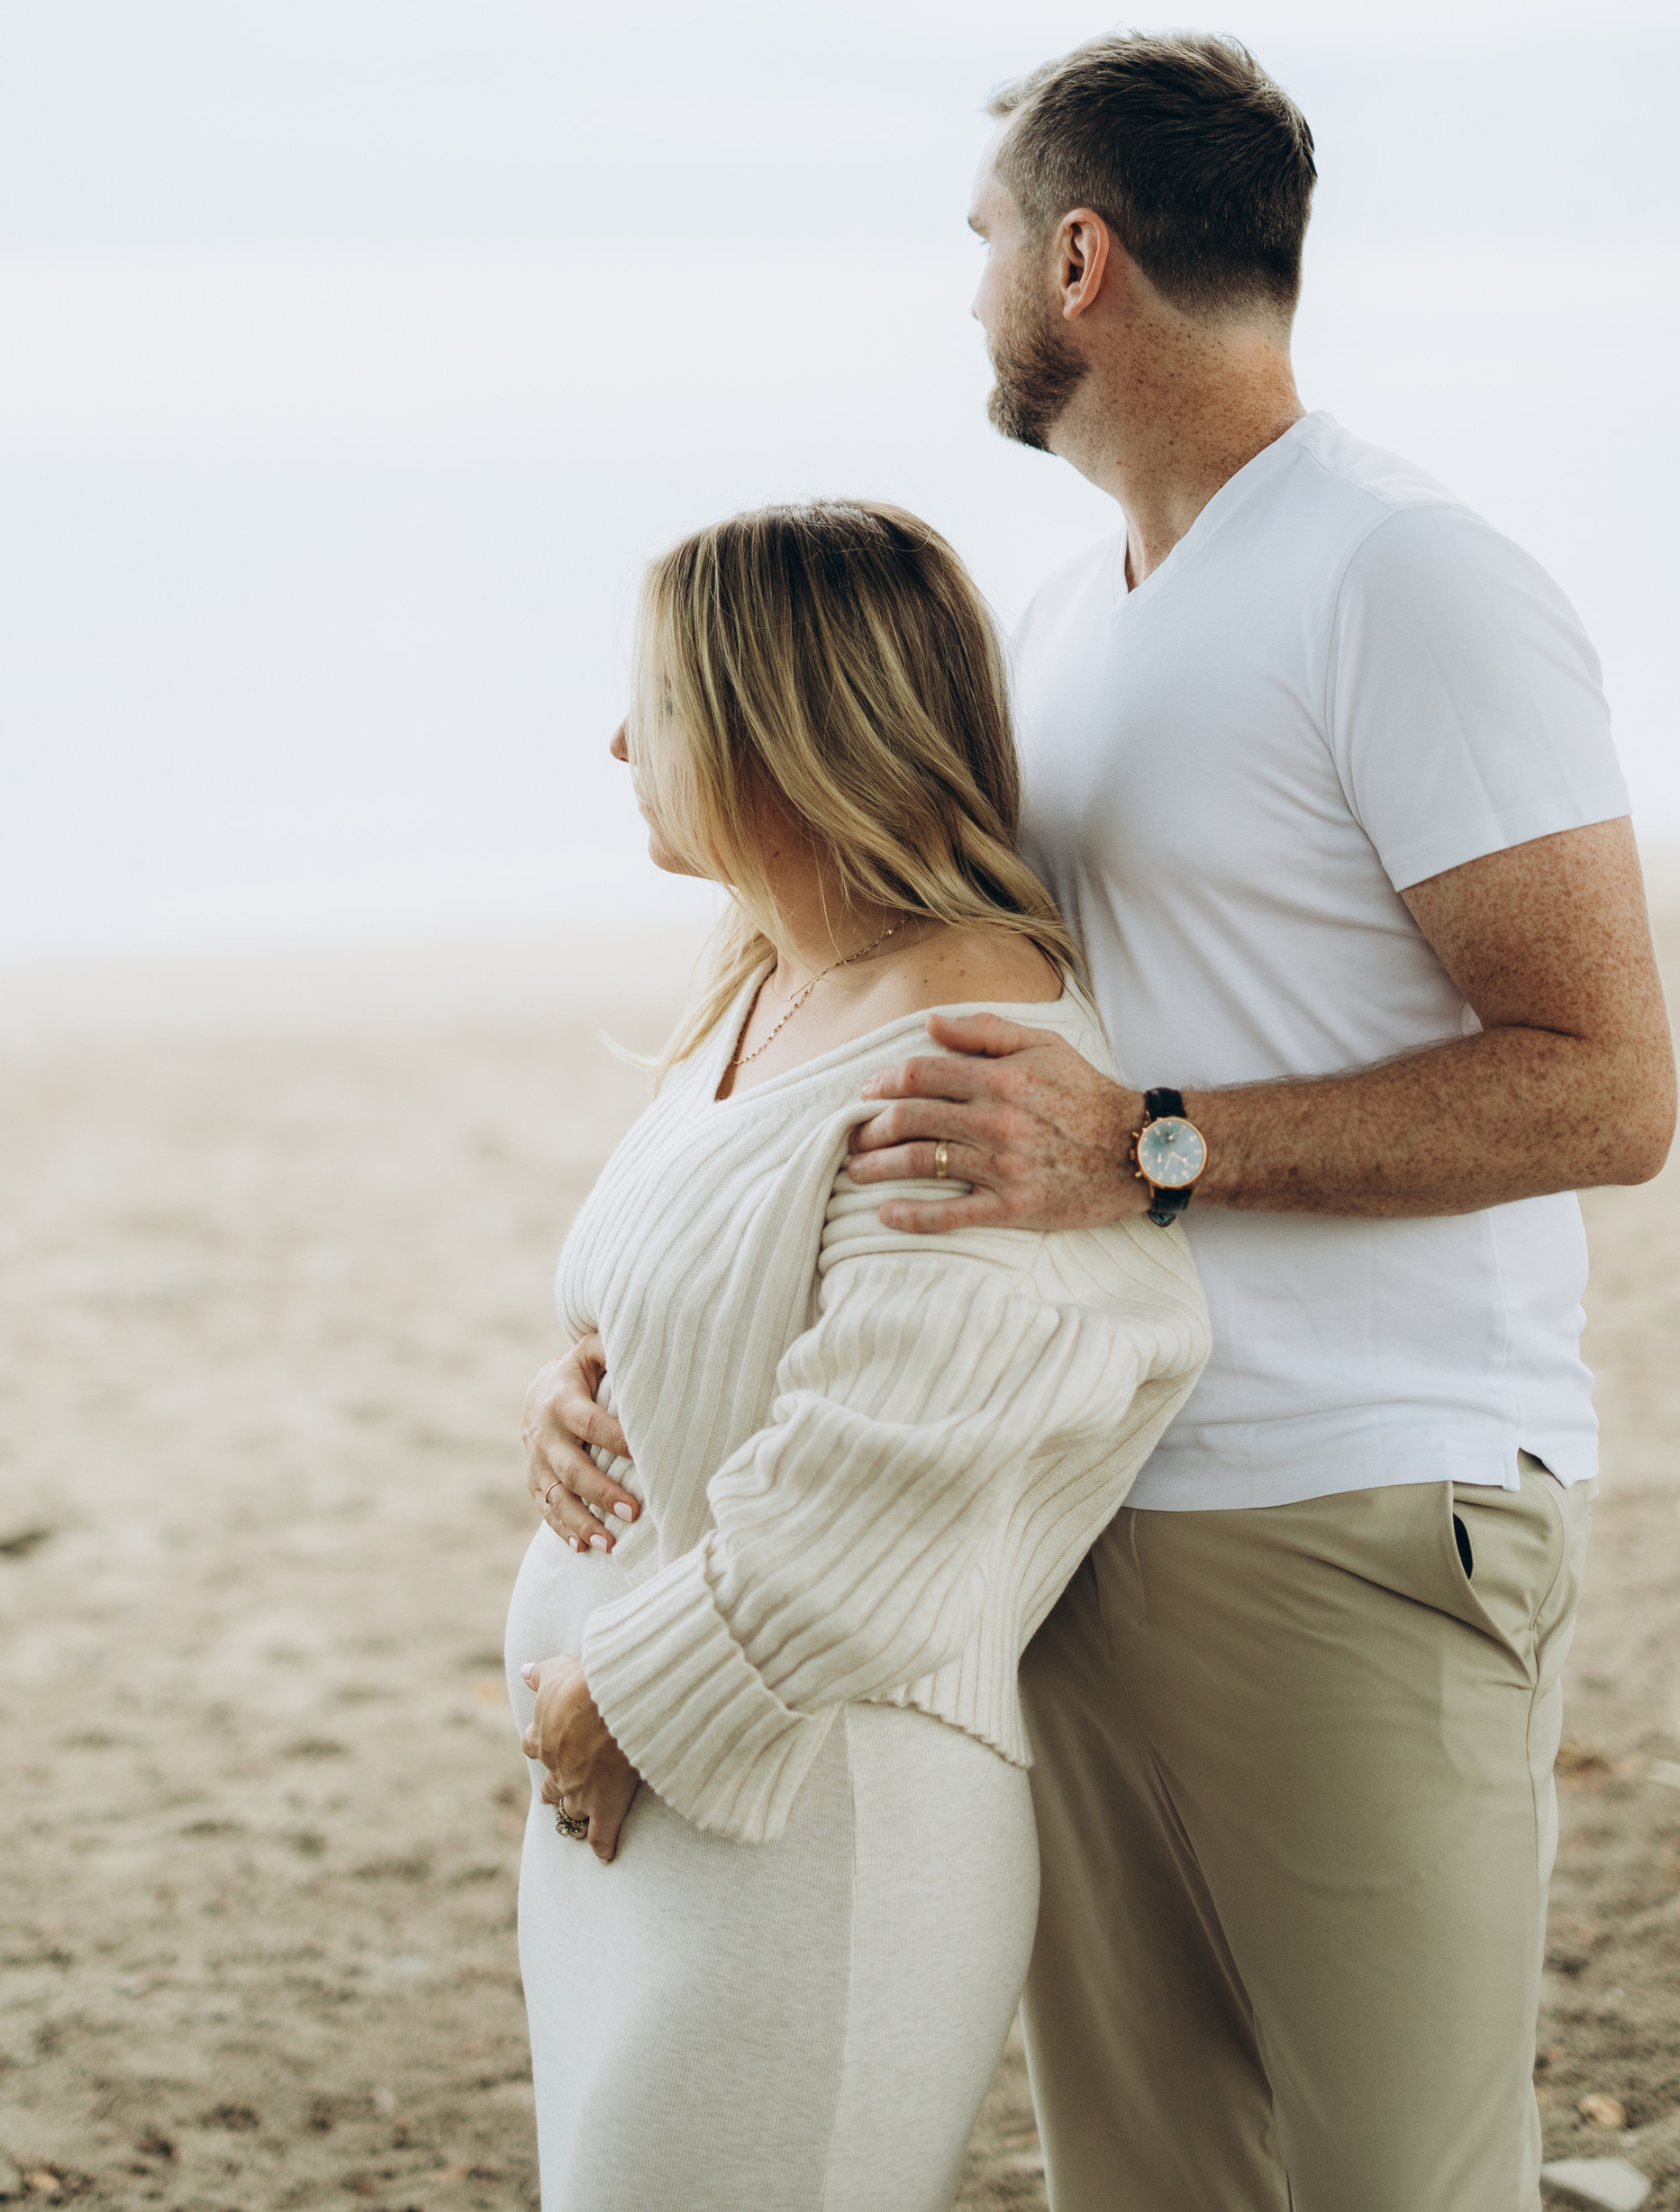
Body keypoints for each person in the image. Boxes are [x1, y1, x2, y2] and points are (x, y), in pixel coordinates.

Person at [529, 32, 1676, 2212]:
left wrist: (1148, 1142)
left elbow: (1606, 1087)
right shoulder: (1064, 625)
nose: (960, 290)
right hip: (1066, 1523)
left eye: (977, 241)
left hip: (1359, 1498)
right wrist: (633, 1348)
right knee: (1147, 2178)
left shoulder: (1401, 578)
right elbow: (896, 1020)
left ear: (1077, 258)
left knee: (1393, 2178)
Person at [505, 498, 1209, 2212]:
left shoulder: (971, 1040)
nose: (617, 743)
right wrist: (572, 1403)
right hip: (653, 1793)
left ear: (778, 731)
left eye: (655, 709)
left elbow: (904, 1462)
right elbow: (686, 1304)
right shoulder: (772, 981)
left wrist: (622, 1705)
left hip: (809, 1820)